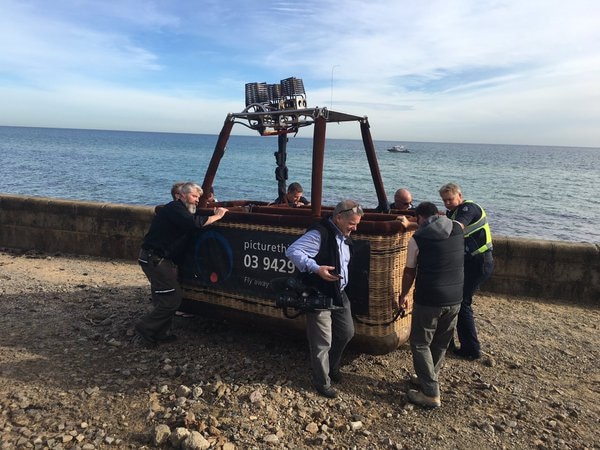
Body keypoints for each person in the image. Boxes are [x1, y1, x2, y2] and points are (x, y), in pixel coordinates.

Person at [285, 200, 364, 398]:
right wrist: (316, 268)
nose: (355, 228)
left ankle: (332, 366)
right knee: (322, 342)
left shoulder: (342, 235)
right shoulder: (319, 233)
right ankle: (322, 382)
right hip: (319, 293)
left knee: (346, 332)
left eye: (357, 224)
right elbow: (292, 251)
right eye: (352, 223)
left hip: (339, 292)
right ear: (339, 217)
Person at [136, 182, 228, 345]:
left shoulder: (178, 211)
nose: (196, 201)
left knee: (162, 296)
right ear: (182, 195)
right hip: (155, 259)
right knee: (172, 298)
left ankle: (161, 332)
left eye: (198, 198)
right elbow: (193, 223)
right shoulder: (175, 208)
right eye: (193, 196)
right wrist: (217, 216)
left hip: (156, 258)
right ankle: (146, 327)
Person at [397, 202, 464, 408]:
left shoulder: (418, 239)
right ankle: (428, 377)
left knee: (419, 342)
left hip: (430, 297)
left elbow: (410, 271)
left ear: (418, 218)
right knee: (440, 342)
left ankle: (430, 393)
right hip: (455, 297)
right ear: (439, 214)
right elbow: (436, 227)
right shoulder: (456, 228)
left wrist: (403, 294)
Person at [439, 183, 494, 360]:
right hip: (468, 263)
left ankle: (472, 349)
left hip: (480, 262)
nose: (447, 203)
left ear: (459, 196)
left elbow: (457, 227)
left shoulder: (469, 208)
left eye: (450, 199)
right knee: (456, 302)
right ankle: (451, 343)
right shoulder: (453, 212)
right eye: (444, 200)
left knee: (463, 304)